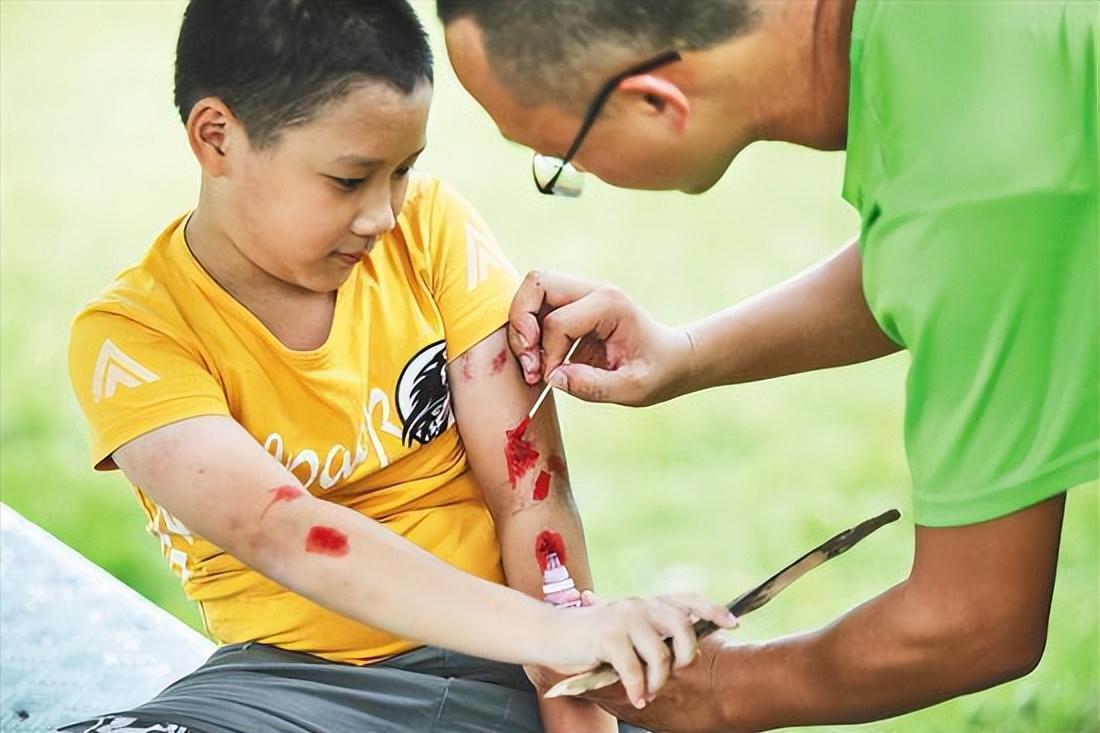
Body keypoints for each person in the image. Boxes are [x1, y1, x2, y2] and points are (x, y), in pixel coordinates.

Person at [61, 2, 737, 732]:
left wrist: (572, 698)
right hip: (291, 684)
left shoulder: (430, 230)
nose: (383, 214)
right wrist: (558, 634)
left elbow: (530, 495)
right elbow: (279, 527)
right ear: (217, 138)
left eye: (403, 171)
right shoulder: (132, 336)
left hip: (505, 651)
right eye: (349, 179)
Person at [437, 0, 1099, 730]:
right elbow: (952, 263)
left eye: (559, 158)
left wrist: (725, 688)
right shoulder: (931, 44)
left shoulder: (985, 171)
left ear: (656, 101)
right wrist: (686, 353)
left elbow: (972, 619)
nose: (570, 173)